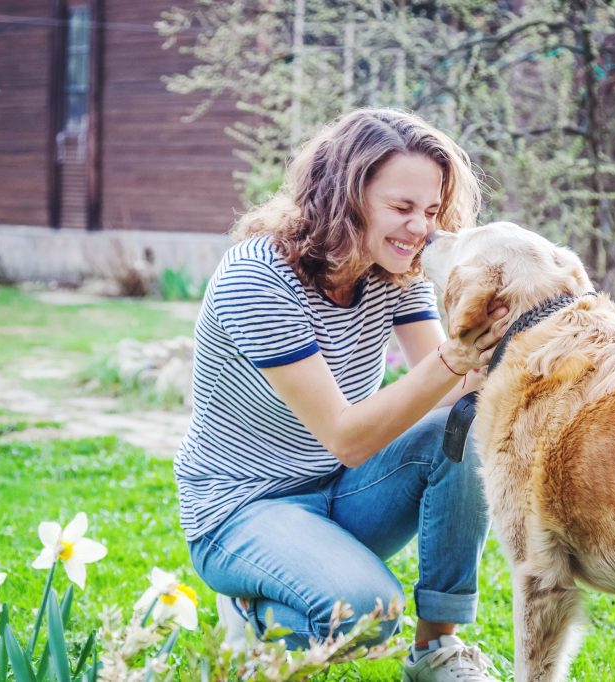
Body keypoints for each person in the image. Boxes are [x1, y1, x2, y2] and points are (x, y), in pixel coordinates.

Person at [174, 108, 509, 682]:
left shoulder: (390, 271)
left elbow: (449, 396)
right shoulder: (256, 279)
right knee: (366, 614)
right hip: (240, 510)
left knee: (465, 428)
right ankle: (253, 603)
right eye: (401, 209)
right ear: (344, 199)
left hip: (338, 495)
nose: (420, 229)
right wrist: (456, 357)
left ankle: (437, 652)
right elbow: (347, 436)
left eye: (430, 211)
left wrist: (505, 347)